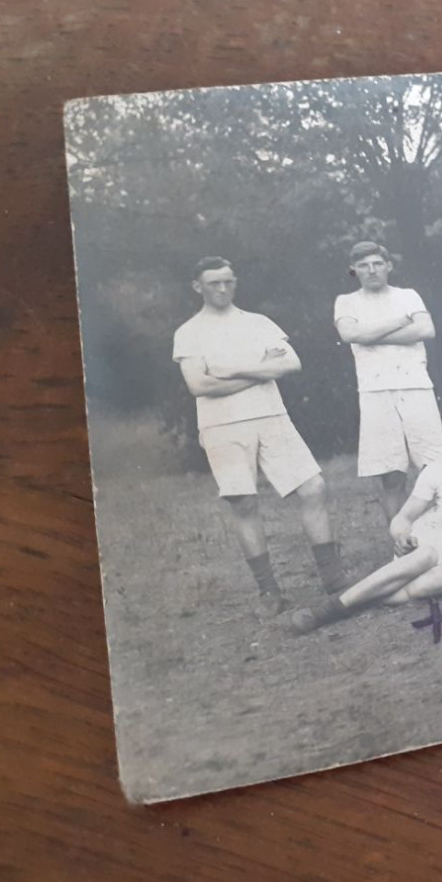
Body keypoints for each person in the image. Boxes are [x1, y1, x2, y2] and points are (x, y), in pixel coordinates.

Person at [172, 257, 347, 617]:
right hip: (222, 425)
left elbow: (291, 363)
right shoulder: (189, 332)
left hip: (271, 417)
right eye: (214, 283)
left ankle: (333, 580)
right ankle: (270, 592)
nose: (222, 289)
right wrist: (262, 371)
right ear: (197, 287)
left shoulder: (258, 323)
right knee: (244, 502)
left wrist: (233, 370)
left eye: (228, 282)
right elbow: (199, 384)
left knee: (313, 487)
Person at [285, 399, 442, 632]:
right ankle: (329, 610)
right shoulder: (438, 469)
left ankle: (365, 600)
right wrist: (402, 535)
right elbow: (404, 517)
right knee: (428, 555)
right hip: (432, 537)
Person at [333, 240, 442, 523]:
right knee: (391, 474)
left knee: (434, 466)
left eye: (377, 264)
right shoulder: (346, 301)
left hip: (416, 386)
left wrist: (370, 334)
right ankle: (401, 539)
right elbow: (350, 335)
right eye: (363, 265)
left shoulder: (408, 295)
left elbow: (426, 329)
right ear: (354, 270)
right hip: (375, 391)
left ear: (388, 266)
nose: (371, 270)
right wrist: (400, 322)